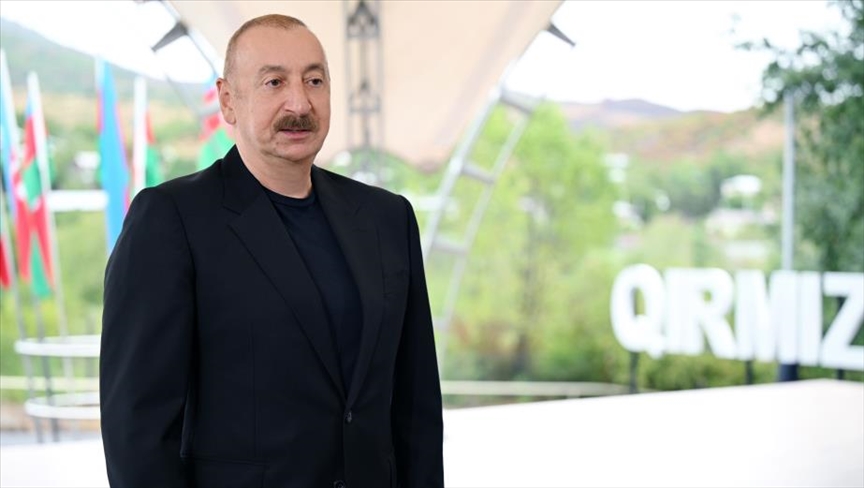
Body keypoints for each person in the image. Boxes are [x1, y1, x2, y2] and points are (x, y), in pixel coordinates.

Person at [100, 14, 443, 488]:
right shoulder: (171, 219)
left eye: (314, 80)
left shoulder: (387, 218)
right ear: (228, 100)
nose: (299, 103)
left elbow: (416, 409)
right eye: (274, 82)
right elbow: (137, 430)